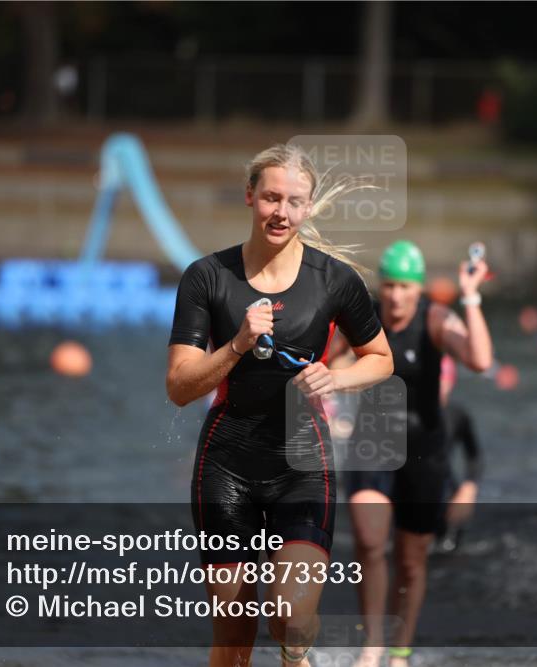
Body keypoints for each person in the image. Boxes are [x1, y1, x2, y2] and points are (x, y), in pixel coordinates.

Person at [166, 144, 394, 667]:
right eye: (271, 197)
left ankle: (296, 655)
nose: (280, 212)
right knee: (234, 633)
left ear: (308, 208)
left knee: (290, 618)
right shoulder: (207, 277)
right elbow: (179, 387)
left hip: (302, 462)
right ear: (250, 196)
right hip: (226, 464)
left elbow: (380, 359)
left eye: (293, 201)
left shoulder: (334, 280)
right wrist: (237, 344)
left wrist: (336, 379)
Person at [333, 240, 493, 667]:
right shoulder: (363, 316)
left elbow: (480, 359)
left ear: (418, 290)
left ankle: (400, 650)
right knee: (369, 542)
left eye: (405, 287)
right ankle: (372, 645)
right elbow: (322, 361)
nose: (396, 296)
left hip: (425, 452)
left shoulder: (435, 319)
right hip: (371, 440)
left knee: (411, 561)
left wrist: (471, 296)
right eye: (389, 286)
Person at [434, 355, 484, 554]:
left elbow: (475, 454)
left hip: (445, 489)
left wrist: (469, 487)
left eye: (441, 379)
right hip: (407, 492)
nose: (436, 385)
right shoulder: (403, 412)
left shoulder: (457, 415)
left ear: (451, 382)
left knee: (451, 549)